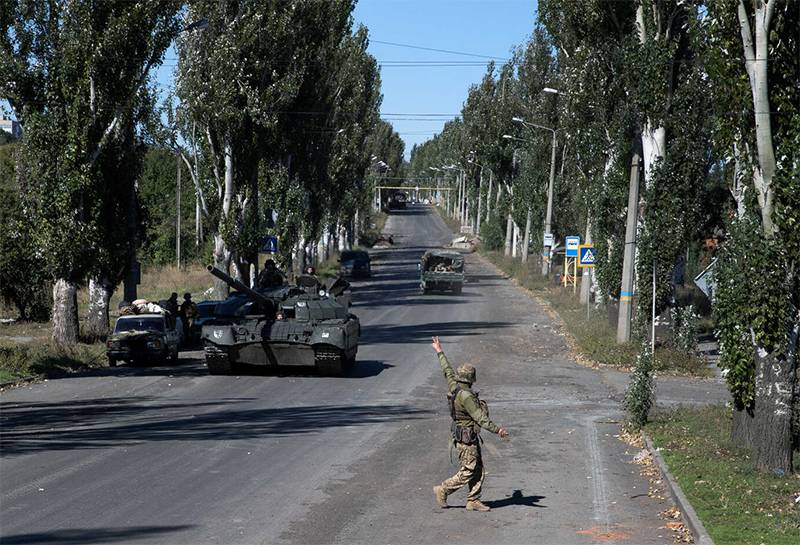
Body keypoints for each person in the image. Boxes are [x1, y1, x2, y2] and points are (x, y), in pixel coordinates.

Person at [431, 336, 508, 512]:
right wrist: (498, 430)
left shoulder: (454, 385)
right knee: (469, 469)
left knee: (478, 468)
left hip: (465, 435)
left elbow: (447, 369)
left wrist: (439, 351)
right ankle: (443, 489)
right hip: (466, 437)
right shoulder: (466, 396)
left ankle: (473, 500)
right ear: (471, 379)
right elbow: (480, 418)